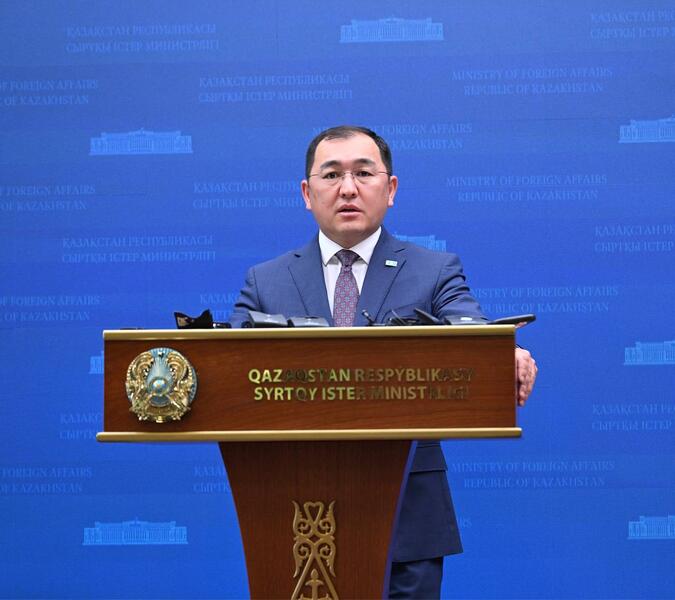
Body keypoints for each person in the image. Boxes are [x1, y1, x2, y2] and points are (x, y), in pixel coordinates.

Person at [230, 125, 537, 598]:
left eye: (363, 173)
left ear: (390, 189)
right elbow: (230, 372)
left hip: (406, 517)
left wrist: (502, 352)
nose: (347, 188)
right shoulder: (266, 281)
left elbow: (470, 331)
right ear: (307, 193)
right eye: (332, 175)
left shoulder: (434, 270)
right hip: (293, 514)